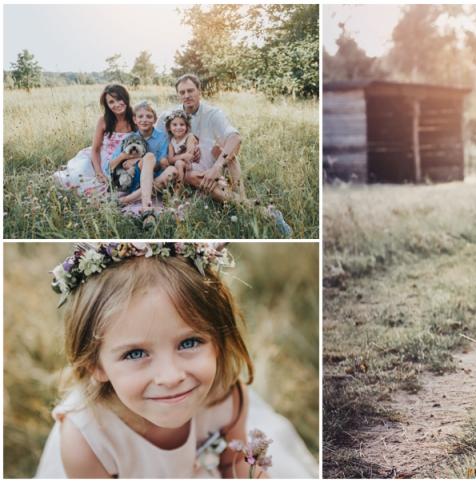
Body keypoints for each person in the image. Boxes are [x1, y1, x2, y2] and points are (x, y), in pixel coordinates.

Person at [34, 243, 317, 478]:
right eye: (135, 354)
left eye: (189, 343)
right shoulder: (87, 440)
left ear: (218, 342)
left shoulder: (224, 398)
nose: (170, 377)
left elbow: (238, 465)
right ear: (94, 365)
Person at [172, 74, 291, 236]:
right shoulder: (172, 116)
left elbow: (236, 137)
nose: (186, 96)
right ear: (178, 95)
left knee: (227, 152)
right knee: (192, 175)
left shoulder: (212, 113)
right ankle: (260, 211)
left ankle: (239, 197)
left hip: (212, 166)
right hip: (190, 171)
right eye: (182, 92)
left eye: (190, 91)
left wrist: (217, 166)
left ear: (199, 91)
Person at [54, 84, 137, 195]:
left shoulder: (135, 118)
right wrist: (98, 172)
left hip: (123, 160)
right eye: (111, 102)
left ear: (126, 98)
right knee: (78, 177)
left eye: (119, 99)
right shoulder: (103, 121)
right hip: (100, 158)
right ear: (107, 105)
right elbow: (96, 149)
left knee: (120, 188)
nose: (117, 104)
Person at [111, 101, 180, 215]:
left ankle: (126, 200)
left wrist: (141, 160)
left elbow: (162, 164)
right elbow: (111, 165)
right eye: (140, 116)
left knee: (172, 170)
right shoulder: (130, 138)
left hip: (155, 178)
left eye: (149, 116)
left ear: (155, 119)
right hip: (135, 179)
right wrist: (124, 156)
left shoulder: (162, 137)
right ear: (135, 119)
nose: (144, 120)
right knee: (149, 156)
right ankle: (146, 206)